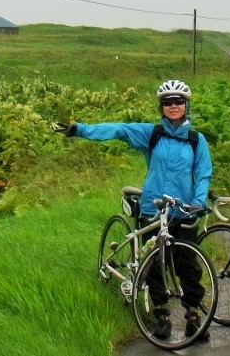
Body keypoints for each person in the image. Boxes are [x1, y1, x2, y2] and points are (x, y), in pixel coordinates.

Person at [55, 79, 213, 340]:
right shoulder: (152, 134)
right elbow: (118, 130)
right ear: (161, 107)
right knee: (154, 266)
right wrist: (79, 129)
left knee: (188, 266)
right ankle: (161, 315)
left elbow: (203, 173)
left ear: (187, 105)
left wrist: (198, 201)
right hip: (154, 208)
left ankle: (193, 316)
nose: (173, 106)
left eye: (178, 102)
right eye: (167, 102)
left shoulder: (197, 140)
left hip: (184, 210)